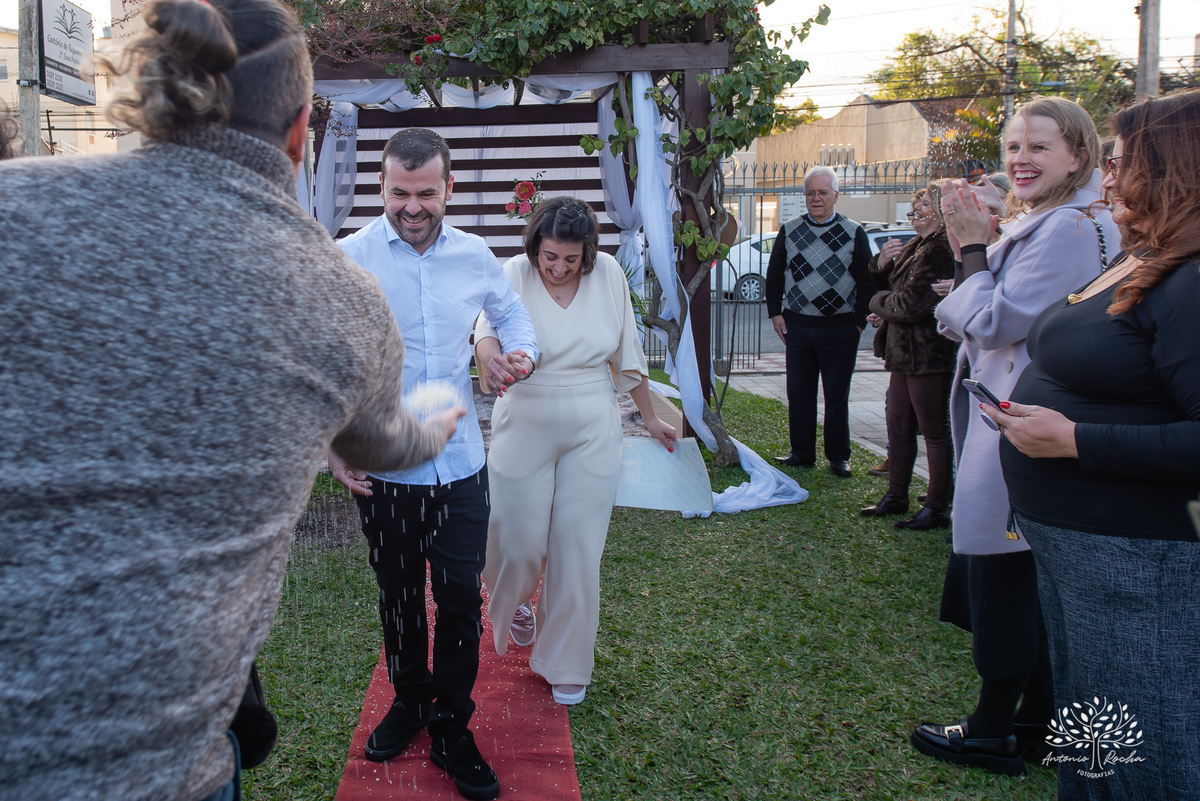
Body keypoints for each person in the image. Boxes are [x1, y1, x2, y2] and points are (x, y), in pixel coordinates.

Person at [0, 1, 463, 799]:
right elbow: (384, 445)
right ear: (298, 137)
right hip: (164, 772)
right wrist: (436, 423)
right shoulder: (340, 296)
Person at [985, 89, 1200, 798]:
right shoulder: (1145, 255)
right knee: (1092, 727)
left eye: (1123, 162)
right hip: (1080, 551)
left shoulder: (1192, 281)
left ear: (1177, 169)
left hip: (1136, 557)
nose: (1107, 178)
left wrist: (1075, 438)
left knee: (1140, 744)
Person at [909, 96, 1120, 776]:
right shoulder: (1060, 220)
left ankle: (993, 728)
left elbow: (995, 321)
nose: (1021, 159)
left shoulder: (1068, 228)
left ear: (1078, 155)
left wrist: (971, 245)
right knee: (1026, 581)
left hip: (1022, 421)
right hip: (1021, 415)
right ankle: (1034, 720)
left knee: (1007, 582)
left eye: (1039, 146)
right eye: (1013, 147)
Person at [330, 127, 538, 801]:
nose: (412, 206)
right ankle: (409, 700)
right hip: (384, 468)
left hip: (460, 469)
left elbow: (516, 319)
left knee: (457, 600)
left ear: (448, 189)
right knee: (397, 598)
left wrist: (519, 357)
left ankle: (452, 723)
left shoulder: (478, 257)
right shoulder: (348, 259)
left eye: (426, 193)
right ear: (380, 187)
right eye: (398, 192)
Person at [475, 197, 677, 707]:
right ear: (534, 247)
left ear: (587, 252)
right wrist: (491, 360)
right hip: (525, 413)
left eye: (571, 259)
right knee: (514, 536)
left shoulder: (607, 273)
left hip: (592, 418)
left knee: (578, 545)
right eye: (551, 257)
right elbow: (485, 333)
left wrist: (650, 417)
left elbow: (626, 351)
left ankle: (565, 660)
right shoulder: (513, 272)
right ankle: (518, 601)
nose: (560, 267)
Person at [765, 165, 874, 477]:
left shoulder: (854, 232)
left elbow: (867, 281)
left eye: (823, 192)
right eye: (811, 192)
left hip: (839, 328)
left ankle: (839, 456)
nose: (816, 198)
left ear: (835, 196)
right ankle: (801, 452)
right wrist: (776, 313)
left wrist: (857, 324)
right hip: (798, 326)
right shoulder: (789, 230)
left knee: (837, 395)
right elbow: (774, 275)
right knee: (799, 392)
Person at [860, 186, 957, 529]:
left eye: (924, 207)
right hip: (904, 353)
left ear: (943, 212)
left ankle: (936, 506)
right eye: (914, 209)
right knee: (897, 424)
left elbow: (912, 305)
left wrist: (877, 304)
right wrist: (880, 266)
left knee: (933, 431)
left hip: (928, 352)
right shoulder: (917, 246)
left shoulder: (941, 248)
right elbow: (896, 292)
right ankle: (896, 495)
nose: (916, 213)